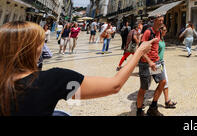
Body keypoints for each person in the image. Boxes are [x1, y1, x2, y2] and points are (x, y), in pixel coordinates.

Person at [0, 21, 154, 116]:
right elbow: (115, 85)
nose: (44, 47)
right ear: (32, 49)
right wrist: (139, 51)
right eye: (41, 43)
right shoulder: (54, 80)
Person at [136, 15, 167, 116]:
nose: (161, 22)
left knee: (163, 82)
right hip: (145, 63)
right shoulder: (148, 32)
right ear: (155, 21)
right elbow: (141, 48)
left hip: (156, 62)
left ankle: (153, 107)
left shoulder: (158, 32)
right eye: (159, 20)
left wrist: (157, 59)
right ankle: (139, 111)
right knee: (144, 88)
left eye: (162, 20)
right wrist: (149, 61)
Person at [158, 25, 176, 109]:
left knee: (165, 81)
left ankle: (167, 101)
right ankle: (140, 102)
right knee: (146, 85)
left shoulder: (162, 38)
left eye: (166, 29)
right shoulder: (156, 39)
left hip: (161, 63)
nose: (166, 31)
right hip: (155, 64)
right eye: (164, 30)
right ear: (160, 30)